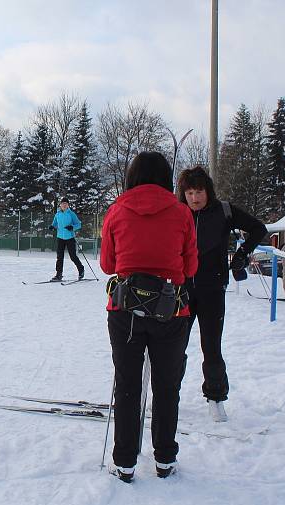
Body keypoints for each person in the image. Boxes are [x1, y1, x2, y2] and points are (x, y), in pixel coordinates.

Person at [100, 151, 198, 482]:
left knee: (127, 384)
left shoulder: (116, 211)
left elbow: (108, 265)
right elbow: (191, 267)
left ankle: (125, 461)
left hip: (125, 310)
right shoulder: (182, 213)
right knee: (167, 386)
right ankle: (165, 459)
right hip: (170, 310)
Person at [176, 166, 267, 423]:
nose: (195, 198)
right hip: (181, 289)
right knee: (174, 346)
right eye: (190, 192)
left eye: (199, 191)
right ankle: (169, 394)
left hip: (212, 289)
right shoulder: (176, 213)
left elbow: (259, 228)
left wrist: (241, 254)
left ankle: (216, 398)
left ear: (208, 191)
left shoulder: (223, 211)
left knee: (211, 347)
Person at [49, 197, 84, 281]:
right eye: (63, 204)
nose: (64, 205)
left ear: (68, 205)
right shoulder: (57, 214)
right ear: (60, 205)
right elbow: (54, 224)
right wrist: (52, 227)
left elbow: (78, 224)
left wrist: (72, 227)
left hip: (70, 238)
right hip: (60, 237)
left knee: (73, 256)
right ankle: (59, 275)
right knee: (59, 257)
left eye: (66, 204)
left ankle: (81, 269)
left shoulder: (71, 214)